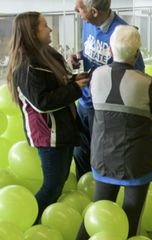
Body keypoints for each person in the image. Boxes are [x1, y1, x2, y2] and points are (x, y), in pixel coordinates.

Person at [70, 25, 152, 240]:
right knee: (131, 215)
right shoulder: (147, 82)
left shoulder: (95, 76)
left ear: (110, 50)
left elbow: (89, 102)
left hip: (103, 155)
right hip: (137, 160)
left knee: (99, 209)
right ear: (137, 53)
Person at [7, 12, 88, 223]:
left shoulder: (48, 54)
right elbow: (42, 102)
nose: (50, 29)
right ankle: (30, 223)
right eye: (44, 26)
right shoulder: (25, 66)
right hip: (48, 134)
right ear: (32, 32)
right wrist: (75, 88)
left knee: (58, 182)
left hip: (63, 129)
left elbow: (59, 82)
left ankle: (42, 222)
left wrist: (74, 79)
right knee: (52, 185)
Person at [71, 0, 145, 180]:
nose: (76, 12)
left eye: (80, 9)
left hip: (103, 109)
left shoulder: (123, 33)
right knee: (80, 152)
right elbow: (94, 47)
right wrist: (79, 55)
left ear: (94, 11)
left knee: (99, 158)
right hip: (84, 101)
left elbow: (137, 72)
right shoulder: (88, 23)